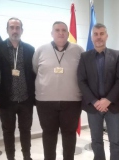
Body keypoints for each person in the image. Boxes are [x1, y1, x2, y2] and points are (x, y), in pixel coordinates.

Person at [32, 21, 84, 160]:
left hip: (72, 101)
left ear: (68, 33)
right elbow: (35, 70)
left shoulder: (79, 50)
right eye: (57, 30)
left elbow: (84, 74)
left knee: (69, 134)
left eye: (63, 30)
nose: (60, 33)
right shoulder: (41, 50)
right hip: (45, 102)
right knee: (49, 134)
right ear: (52, 33)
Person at [78, 23, 119, 160]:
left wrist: (108, 100)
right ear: (92, 37)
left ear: (106, 36)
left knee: (115, 141)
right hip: (93, 106)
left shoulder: (116, 55)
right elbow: (81, 81)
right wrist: (95, 101)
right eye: (96, 34)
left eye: (101, 34)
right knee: (96, 141)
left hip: (113, 105)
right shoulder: (84, 57)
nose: (99, 37)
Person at [0, 17, 35, 160]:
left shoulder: (30, 49)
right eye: (12, 27)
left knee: (26, 130)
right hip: (6, 100)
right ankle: (10, 157)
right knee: (8, 131)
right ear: (7, 30)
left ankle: (27, 156)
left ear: (22, 30)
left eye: (17, 27)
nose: (15, 30)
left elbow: (33, 74)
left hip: (25, 99)